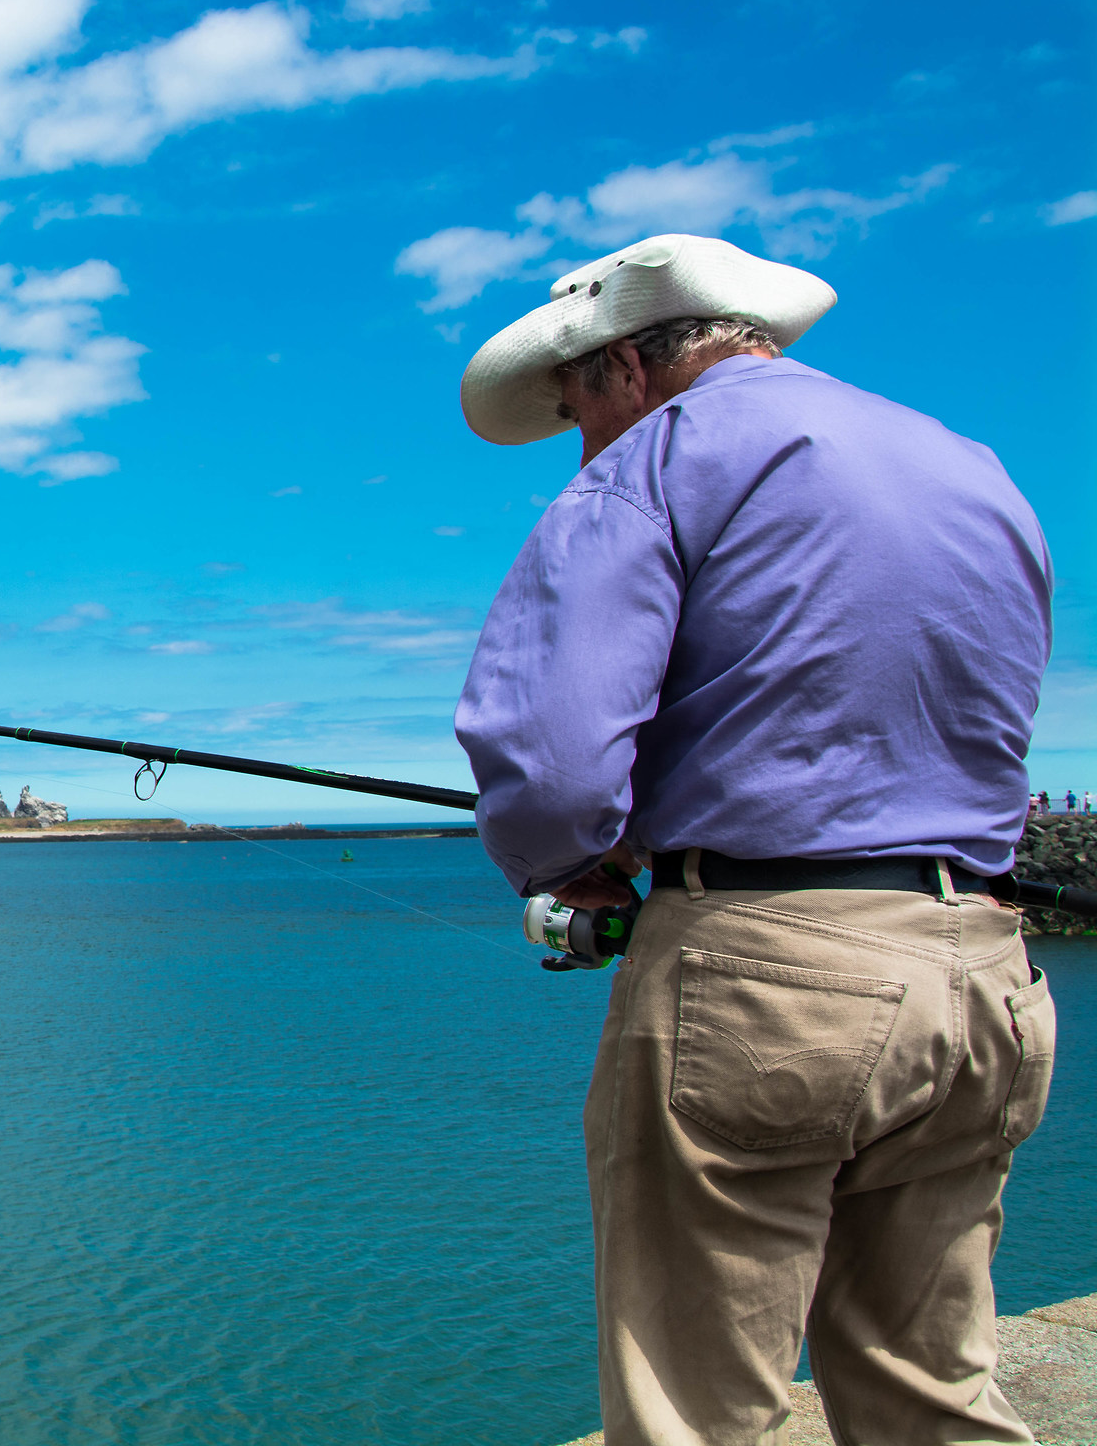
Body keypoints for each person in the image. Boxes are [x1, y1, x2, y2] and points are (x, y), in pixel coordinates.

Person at [449, 234, 1056, 1444]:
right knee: (931, 1382)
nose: (582, 440)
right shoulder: (970, 466)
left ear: (624, 364)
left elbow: (552, 757)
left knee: (695, 1407)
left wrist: (575, 866)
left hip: (770, 985)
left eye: (576, 407)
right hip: (986, 970)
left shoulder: (659, 459)